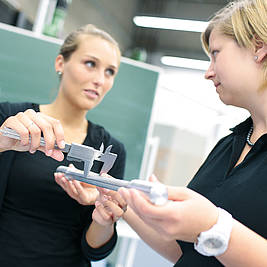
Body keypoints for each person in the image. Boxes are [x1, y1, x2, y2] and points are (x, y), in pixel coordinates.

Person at [89, 0, 267, 266]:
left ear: (258, 47)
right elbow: (185, 250)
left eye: (216, 53)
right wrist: (124, 199)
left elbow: (211, 231)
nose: (208, 73)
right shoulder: (229, 145)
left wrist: (215, 227)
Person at [0, 24, 126, 267]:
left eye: (110, 72)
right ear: (60, 63)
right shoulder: (10, 118)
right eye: (90, 63)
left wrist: (104, 217)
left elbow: (94, 251)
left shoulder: (112, 149)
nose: (99, 80)